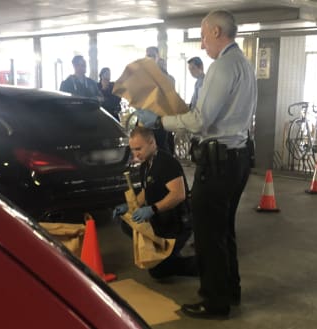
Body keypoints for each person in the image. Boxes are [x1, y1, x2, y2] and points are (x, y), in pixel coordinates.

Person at [134, 10, 257, 319]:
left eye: (203, 36)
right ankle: (230, 289)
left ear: (217, 32)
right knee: (224, 228)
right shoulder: (243, 64)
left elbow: (201, 120)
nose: (203, 45)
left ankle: (214, 302)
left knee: (207, 234)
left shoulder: (221, 67)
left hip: (218, 163)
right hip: (238, 157)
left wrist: (161, 121)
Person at [113, 126, 197, 279]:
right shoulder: (146, 164)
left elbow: (178, 195)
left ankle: (203, 265)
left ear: (152, 142)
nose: (135, 154)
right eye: (133, 150)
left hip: (177, 223)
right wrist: (129, 206)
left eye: (138, 148)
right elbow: (147, 190)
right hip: (161, 218)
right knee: (127, 223)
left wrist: (152, 209)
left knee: (159, 271)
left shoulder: (166, 163)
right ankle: (169, 255)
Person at [144, 46, 175, 155]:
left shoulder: (166, 77)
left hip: (161, 118)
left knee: (161, 147)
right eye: (148, 55)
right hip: (147, 118)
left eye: (152, 55)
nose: (150, 58)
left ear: (158, 58)